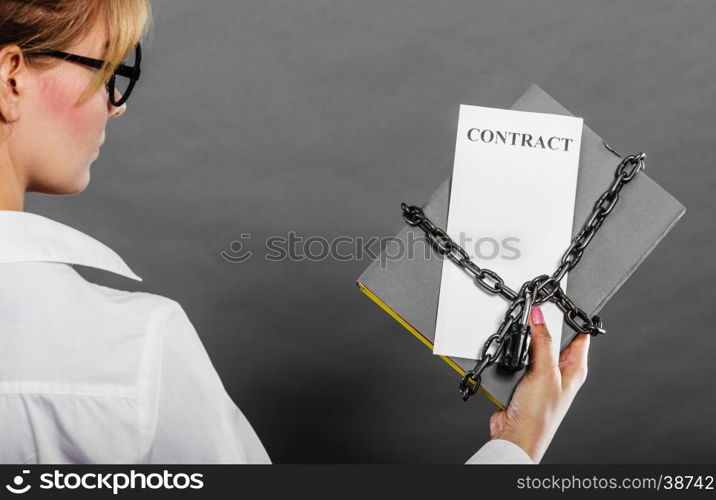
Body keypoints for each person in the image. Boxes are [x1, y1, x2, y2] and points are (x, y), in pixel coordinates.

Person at [0, 0, 589, 464]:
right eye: (108, 70)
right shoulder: (128, 349)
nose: (117, 105)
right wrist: (519, 443)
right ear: (12, 76)